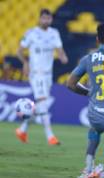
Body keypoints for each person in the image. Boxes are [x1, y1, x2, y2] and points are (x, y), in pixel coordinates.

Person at [67, 22, 104, 178]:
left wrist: (88, 92)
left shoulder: (88, 58)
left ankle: (88, 168)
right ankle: (100, 176)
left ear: (97, 39)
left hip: (94, 113)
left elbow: (70, 84)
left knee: (94, 131)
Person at [16, 9, 68, 145]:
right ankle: (50, 136)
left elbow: (59, 49)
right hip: (36, 74)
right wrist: (25, 63)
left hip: (48, 75)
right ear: (39, 19)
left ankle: (22, 130)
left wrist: (62, 56)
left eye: (48, 18)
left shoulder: (54, 33)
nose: (46, 21)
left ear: (51, 20)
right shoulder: (31, 33)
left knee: (39, 106)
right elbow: (19, 51)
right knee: (43, 103)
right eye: (44, 18)